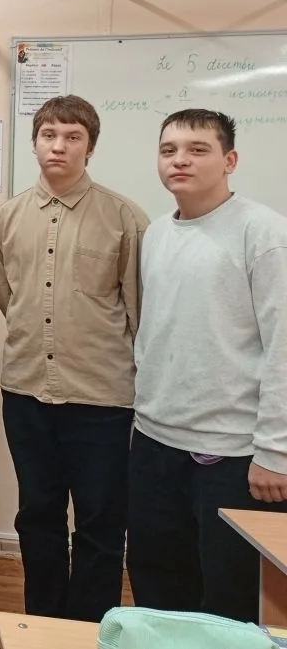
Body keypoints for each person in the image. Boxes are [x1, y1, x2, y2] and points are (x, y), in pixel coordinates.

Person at [0, 95, 148, 622]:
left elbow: (140, 312)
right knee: (38, 516)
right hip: (26, 393)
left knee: (101, 522)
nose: (59, 145)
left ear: (90, 147)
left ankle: (90, 631)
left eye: (73, 136)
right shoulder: (6, 218)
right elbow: (10, 298)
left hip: (101, 399)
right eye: (49, 134)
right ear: (35, 142)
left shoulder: (125, 218)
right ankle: (44, 625)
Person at [128, 109, 287, 623]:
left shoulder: (264, 233)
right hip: (155, 443)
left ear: (229, 160)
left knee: (231, 603)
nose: (180, 160)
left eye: (197, 149)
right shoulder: (156, 233)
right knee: (159, 591)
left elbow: (283, 348)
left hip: (234, 456)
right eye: (169, 150)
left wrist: (276, 451)